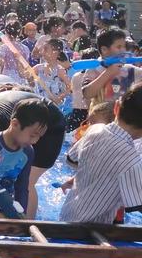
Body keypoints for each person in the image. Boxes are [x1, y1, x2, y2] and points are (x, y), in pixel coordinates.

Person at [0, 86, 66, 218]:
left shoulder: (25, 145)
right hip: (23, 116)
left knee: (29, 182)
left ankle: (28, 224)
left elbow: (22, 186)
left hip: (50, 119)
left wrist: (21, 216)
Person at [60, 83, 142, 223]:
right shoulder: (133, 161)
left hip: (67, 216)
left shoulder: (94, 130)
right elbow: (136, 205)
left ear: (116, 107)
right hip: (94, 228)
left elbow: (72, 160)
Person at [0, 99, 49, 218]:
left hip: (6, 206)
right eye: (32, 135)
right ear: (15, 124)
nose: (35, 141)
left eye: (39, 136)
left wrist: (21, 213)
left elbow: (22, 187)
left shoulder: (27, 152)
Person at [83, 28, 142, 104]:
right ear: (104, 50)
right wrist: (109, 72)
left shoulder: (129, 69)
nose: (123, 50)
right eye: (119, 47)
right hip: (100, 114)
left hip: (124, 115)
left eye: (124, 46)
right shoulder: (94, 69)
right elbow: (87, 94)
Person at [65, 48, 98, 132]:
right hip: (87, 111)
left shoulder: (75, 76)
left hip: (76, 111)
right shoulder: (94, 77)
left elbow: (73, 92)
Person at [32, 39, 71, 105]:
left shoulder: (59, 70)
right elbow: (26, 78)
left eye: (45, 49)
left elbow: (70, 87)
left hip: (53, 106)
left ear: (55, 52)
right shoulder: (38, 68)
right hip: (39, 105)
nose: (42, 52)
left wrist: (59, 98)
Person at [0, 21, 30, 85]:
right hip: (21, 79)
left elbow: (0, 64)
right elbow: (26, 67)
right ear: (20, 32)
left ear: (6, 32)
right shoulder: (25, 48)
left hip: (7, 78)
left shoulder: (4, 47)